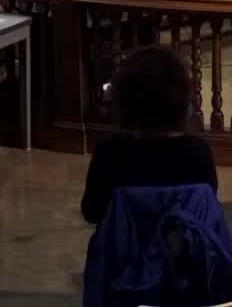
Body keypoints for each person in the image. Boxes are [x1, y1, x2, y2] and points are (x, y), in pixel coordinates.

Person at [81, 45, 217, 224]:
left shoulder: (109, 152)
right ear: (182, 101)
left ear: (123, 102)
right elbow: (207, 203)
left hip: (124, 242)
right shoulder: (199, 152)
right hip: (181, 242)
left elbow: (92, 212)